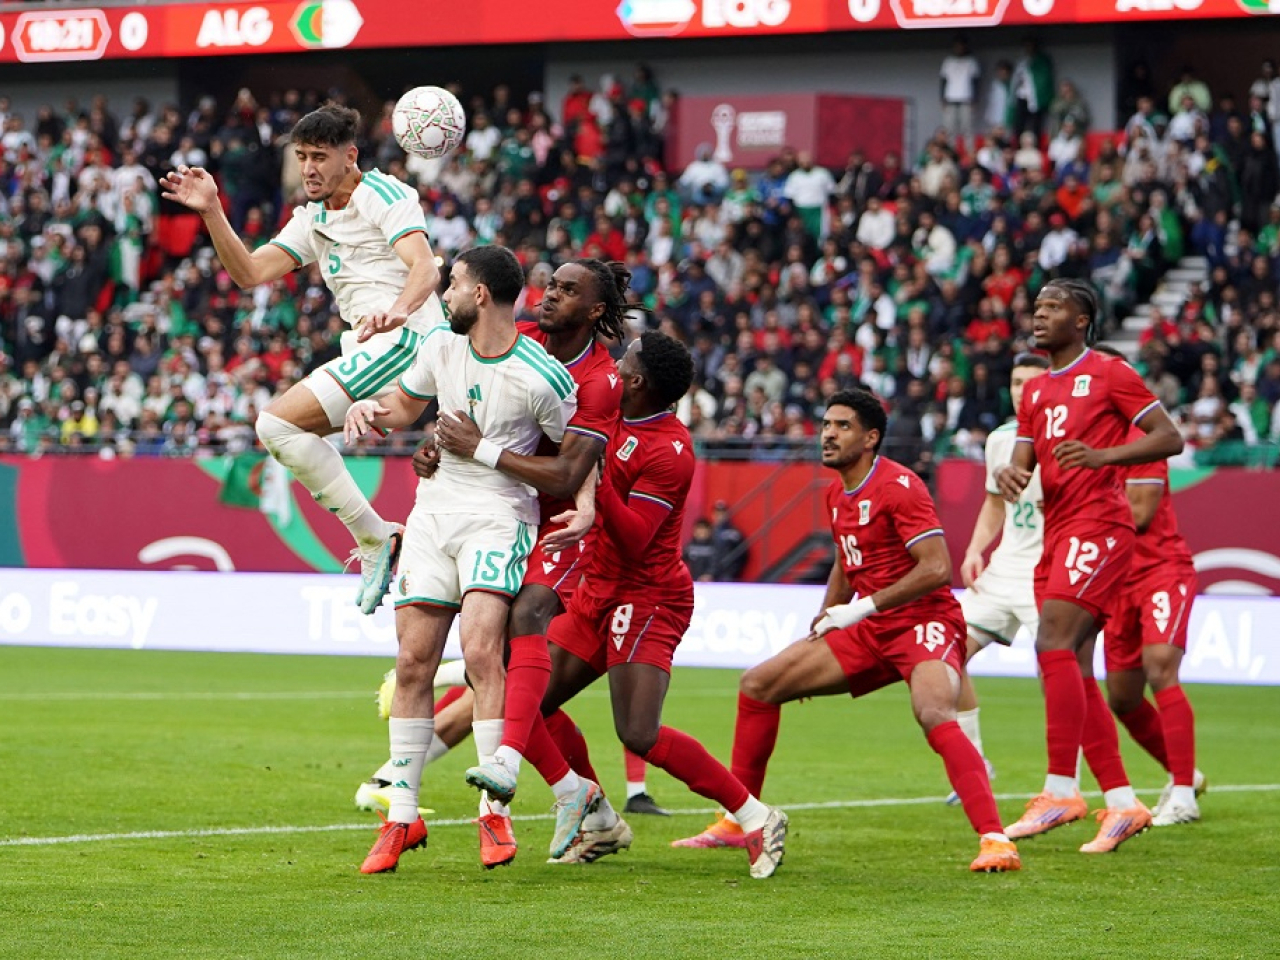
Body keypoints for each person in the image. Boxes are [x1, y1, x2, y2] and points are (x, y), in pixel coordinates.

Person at [355, 258, 668, 867]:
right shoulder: (492, 340)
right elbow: (444, 406)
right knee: (442, 665)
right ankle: (573, 797)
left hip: (546, 520)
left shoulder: (589, 379)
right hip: (450, 509)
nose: (548, 296)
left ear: (596, 310)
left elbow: (578, 468)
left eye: (566, 290)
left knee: (501, 639)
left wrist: (577, 501)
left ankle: (504, 796)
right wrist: (428, 442)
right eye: (549, 284)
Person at [472, 331, 789, 878]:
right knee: (530, 703)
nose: (615, 368)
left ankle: (755, 816)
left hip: (649, 597)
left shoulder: (671, 451)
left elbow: (639, 535)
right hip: (598, 588)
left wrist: (595, 487)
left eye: (624, 363)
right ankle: (595, 814)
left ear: (637, 382)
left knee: (638, 732)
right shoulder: (609, 415)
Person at [673, 389, 1018, 872]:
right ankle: (738, 819)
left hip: (925, 622)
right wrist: (825, 620)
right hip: (868, 630)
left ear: (871, 438)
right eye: (826, 424)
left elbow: (938, 567)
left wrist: (861, 609)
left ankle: (995, 840)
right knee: (758, 685)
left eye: (843, 426)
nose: (828, 434)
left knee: (933, 710)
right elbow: (844, 558)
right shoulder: (837, 491)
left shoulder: (901, 486)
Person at [341, 245, 580, 875]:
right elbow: (403, 408)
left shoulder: (543, 376)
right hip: (431, 515)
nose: (443, 293)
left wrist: (572, 501)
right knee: (413, 662)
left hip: (498, 517)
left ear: (481, 295)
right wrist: (369, 411)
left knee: (480, 652)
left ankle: (492, 815)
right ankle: (400, 820)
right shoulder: (439, 349)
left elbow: (571, 463)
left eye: (453, 284)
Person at [159, 103, 442, 614]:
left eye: (319, 157)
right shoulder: (311, 219)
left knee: (275, 423)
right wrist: (211, 210)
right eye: (301, 156)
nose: (308, 168)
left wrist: (399, 311)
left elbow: (425, 268)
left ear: (349, 155)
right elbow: (248, 272)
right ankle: (401, 549)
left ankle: (378, 538)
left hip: (409, 339)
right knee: (284, 432)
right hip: (372, 349)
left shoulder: (385, 194)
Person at [996, 279, 1184, 853]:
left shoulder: (1110, 373)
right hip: (1057, 531)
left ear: (1082, 320)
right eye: (1037, 307)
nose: (1040, 315)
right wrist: (1011, 473)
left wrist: (1105, 456)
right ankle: (1123, 802)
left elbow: (1168, 438)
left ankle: (1060, 790)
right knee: (1074, 665)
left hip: (1100, 525)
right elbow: (1026, 460)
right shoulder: (1035, 393)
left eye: (1053, 307)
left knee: (1051, 642)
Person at [1092, 348, 1205, 827]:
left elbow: (1137, 513)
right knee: (1121, 696)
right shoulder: (1090, 437)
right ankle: (1186, 773)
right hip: (1117, 582)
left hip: (1159, 569)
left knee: (1161, 668)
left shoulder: (1143, 436)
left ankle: (1182, 795)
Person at [951, 353, 1050, 801]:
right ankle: (975, 762)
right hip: (1003, 570)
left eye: (1031, 381)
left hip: (1049, 574)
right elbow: (994, 503)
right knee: (944, 656)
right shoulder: (999, 440)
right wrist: (975, 549)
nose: (1021, 389)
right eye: (1015, 381)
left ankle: (1064, 785)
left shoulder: (1069, 440)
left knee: (1061, 674)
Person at [939, 37, 982, 153]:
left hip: (966, 98)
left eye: (961, 46)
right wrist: (942, 98)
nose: (959, 48)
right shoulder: (948, 61)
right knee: (949, 128)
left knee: (967, 128)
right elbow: (943, 80)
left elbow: (976, 81)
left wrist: (975, 99)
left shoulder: (971, 61)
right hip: (950, 98)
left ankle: (970, 152)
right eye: (957, 46)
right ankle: (951, 152)